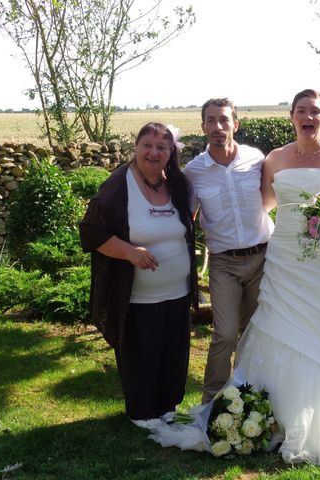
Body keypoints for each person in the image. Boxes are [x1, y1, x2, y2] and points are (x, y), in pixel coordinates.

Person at [149, 89, 320, 465]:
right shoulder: (273, 159)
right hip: (285, 255)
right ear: (291, 116)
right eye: (301, 111)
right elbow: (263, 203)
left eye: (315, 111)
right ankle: (254, 405)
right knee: (272, 324)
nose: (308, 116)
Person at [79, 122, 198, 427]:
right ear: (136, 146)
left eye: (162, 147)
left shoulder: (177, 184)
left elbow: (188, 221)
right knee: (141, 352)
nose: (153, 152)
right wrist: (131, 252)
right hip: (137, 295)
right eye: (147, 144)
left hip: (178, 290)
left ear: (171, 152)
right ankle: (142, 412)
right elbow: (91, 232)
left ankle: (167, 405)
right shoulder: (119, 185)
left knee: (173, 350)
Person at [184, 98, 274, 403]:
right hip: (224, 263)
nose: (218, 127)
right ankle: (212, 402)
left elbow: (273, 199)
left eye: (224, 120)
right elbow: (186, 217)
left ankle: (249, 399)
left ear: (235, 124)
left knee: (253, 333)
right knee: (224, 334)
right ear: (203, 127)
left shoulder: (256, 159)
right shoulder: (195, 171)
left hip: (263, 258)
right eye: (211, 121)